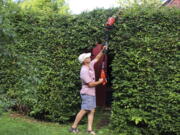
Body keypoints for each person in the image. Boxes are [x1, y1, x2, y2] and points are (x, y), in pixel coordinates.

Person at [69, 45, 108, 135]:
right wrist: (100, 81)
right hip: (87, 93)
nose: (90, 57)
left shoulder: (90, 65)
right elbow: (90, 84)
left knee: (91, 110)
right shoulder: (84, 71)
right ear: (84, 61)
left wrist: (103, 50)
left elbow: (97, 58)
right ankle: (73, 127)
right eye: (87, 57)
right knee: (84, 110)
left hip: (91, 93)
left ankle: (89, 130)